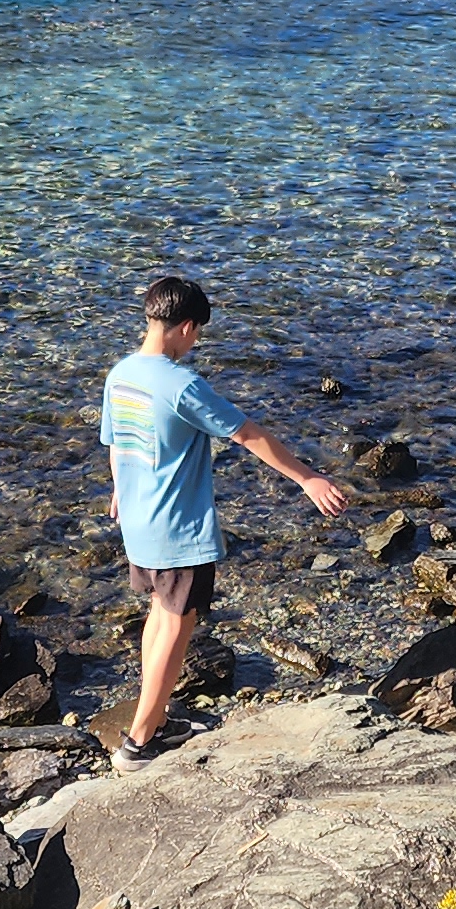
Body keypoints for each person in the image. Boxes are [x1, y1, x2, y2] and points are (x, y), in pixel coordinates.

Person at [99, 273, 347, 766]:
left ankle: (158, 718)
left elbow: (116, 441)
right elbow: (248, 434)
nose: (195, 343)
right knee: (177, 622)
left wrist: (119, 492)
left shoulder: (121, 373)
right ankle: (140, 741)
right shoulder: (182, 384)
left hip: (139, 523)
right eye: (197, 333)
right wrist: (307, 479)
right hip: (176, 527)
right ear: (186, 326)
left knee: (158, 613)